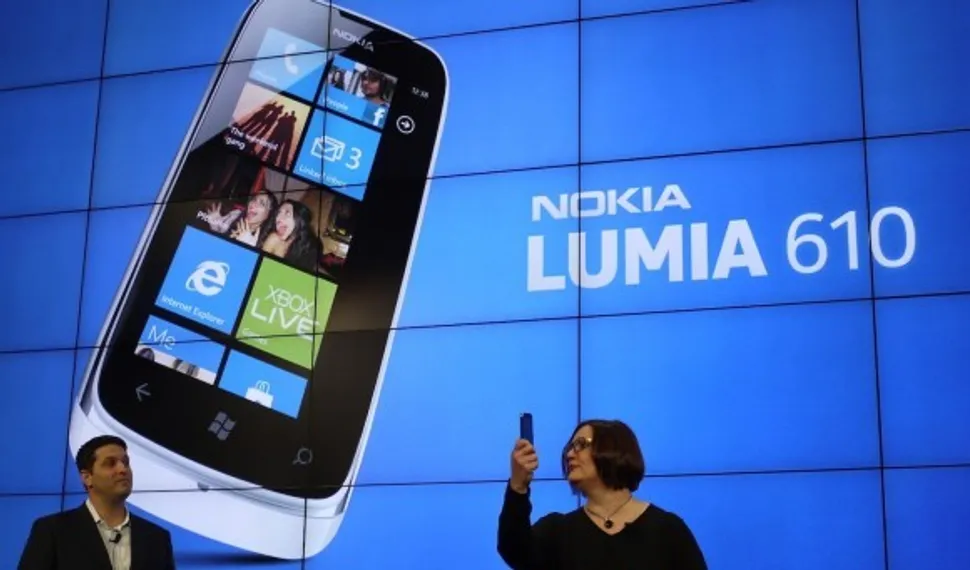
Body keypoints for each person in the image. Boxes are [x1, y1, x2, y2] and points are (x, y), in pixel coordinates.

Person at [498, 419, 708, 570]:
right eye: (569, 447)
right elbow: (514, 551)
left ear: (612, 449)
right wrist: (518, 485)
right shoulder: (557, 531)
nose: (569, 454)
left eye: (580, 445)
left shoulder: (668, 530)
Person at [18, 435, 176, 570]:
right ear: (87, 477)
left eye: (125, 462)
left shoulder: (157, 538)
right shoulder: (52, 530)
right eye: (110, 463)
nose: (123, 469)